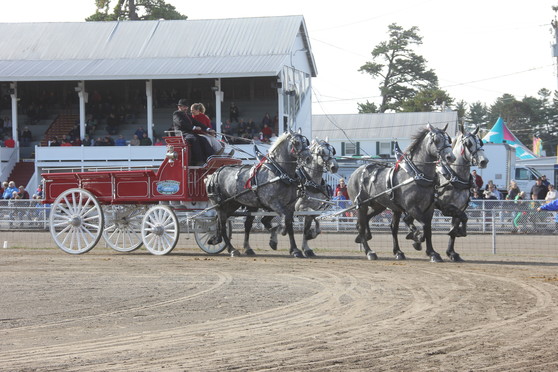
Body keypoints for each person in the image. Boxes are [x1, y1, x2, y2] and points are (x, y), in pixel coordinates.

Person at [173, 99, 214, 165]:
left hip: (189, 133)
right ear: (179, 107)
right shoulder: (176, 114)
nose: (186, 108)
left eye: (186, 107)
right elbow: (181, 123)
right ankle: (199, 160)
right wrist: (193, 127)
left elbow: (197, 123)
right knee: (194, 139)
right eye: (184, 107)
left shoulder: (187, 115)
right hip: (182, 134)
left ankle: (211, 157)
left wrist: (208, 129)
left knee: (203, 139)